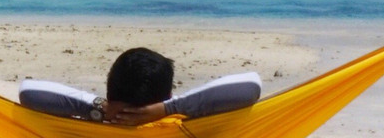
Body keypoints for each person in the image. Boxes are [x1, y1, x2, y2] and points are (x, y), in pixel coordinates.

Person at [19, 46, 262, 125]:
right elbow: (251, 86)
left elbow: (29, 92)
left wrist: (102, 108)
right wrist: (168, 109)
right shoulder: (188, 125)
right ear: (167, 94)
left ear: (109, 89)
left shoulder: (96, 126)